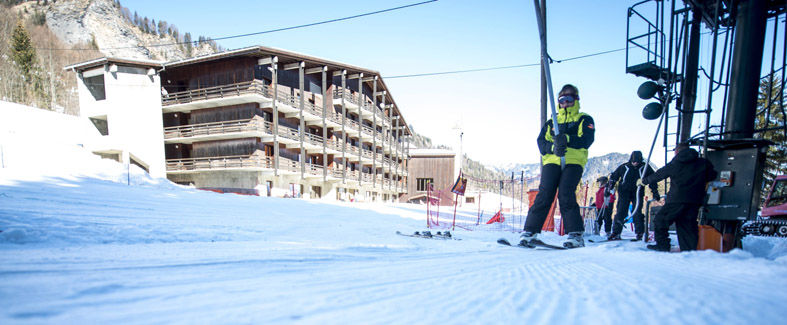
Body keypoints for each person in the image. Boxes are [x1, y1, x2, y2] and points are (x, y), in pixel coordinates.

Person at [520, 84, 595, 248]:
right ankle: (530, 231)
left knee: (566, 193)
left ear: (576, 99)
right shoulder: (552, 121)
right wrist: (553, 148)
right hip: (553, 161)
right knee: (545, 193)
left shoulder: (584, 119)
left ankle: (575, 233)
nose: (566, 102)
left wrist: (567, 139)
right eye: (562, 99)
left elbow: (587, 140)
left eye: (569, 98)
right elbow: (541, 142)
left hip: (573, 161)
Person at [638, 142, 717, 252]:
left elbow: (660, 174)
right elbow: (713, 175)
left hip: (677, 198)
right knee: (687, 225)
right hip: (695, 200)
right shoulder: (702, 162)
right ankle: (689, 251)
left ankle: (663, 245)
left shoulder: (676, 162)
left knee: (661, 220)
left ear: (677, 151)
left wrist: (644, 181)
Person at [607, 151, 660, 241]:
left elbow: (652, 179)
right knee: (621, 211)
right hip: (624, 192)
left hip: (637, 193)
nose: (635, 163)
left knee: (637, 212)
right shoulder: (624, 167)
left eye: (637, 161)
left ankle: (639, 232)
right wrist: (610, 187)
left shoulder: (645, 167)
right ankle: (616, 232)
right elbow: (614, 176)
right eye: (633, 161)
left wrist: (654, 191)